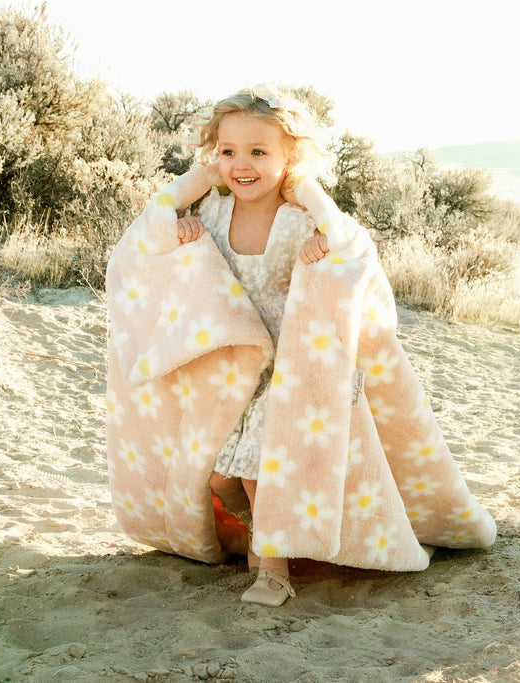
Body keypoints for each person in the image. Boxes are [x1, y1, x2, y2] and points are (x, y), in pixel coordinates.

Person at [165, 84, 342, 606]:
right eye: (228, 151)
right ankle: (254, 533)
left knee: (259, 471)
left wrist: (318, 234)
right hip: (233, 366)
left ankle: (274, 573)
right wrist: (190, 212)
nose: (242, 164)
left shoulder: (298, 219)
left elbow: (345, 245)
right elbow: (155, 222)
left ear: (290, 157)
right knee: (219, 476)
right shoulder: (213, 214)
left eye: (259, 152)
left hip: (289, 366)